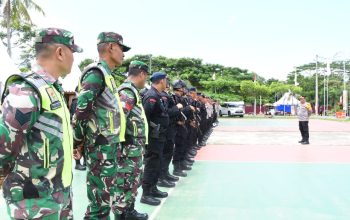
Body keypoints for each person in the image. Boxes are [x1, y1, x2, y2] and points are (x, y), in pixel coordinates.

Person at [0, 27, 82, 219]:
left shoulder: (52, 89)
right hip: (34, 202)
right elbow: (3, 147)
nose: (74, 58)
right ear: (60, 52)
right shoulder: (26, 89)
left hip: (58, 194)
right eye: (73, 52)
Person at [73, 31, 130, 219]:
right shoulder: (96, 73)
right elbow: (82, 110)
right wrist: (77, 142)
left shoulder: (107, 75)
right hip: (99, 148)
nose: (124, 54)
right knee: (99, 202)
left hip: (107, 147)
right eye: (122, 49)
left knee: (104, 199)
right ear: (112, 47)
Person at [112, 61, 149, 220]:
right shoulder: (126, 91)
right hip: (127, 150)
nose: (145, 80)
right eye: (146, 77)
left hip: (133, 149)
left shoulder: (133, 91)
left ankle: (130, 211)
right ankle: (122, 214)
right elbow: (118, 120)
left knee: (132, 183)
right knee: (124, 184)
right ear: (141, 74)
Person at [141, 72, 169, 206]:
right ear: (161, 81)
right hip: (153, 137)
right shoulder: (151, 96)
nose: (166, 82)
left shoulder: (157, 95)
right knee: (151, 164)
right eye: (165, 80)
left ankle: (153, 188)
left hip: (159, 136)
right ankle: (146, 194)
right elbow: (145, 117)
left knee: (156, 163)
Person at [158, 78, 183, 187]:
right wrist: (177, 108)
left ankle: (165, 173)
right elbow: (167, 112)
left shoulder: (166, 95)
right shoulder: (162, 96)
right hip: (167, 128)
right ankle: (161, 177)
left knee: (168, 153)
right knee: (164, 154)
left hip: (171, 127)